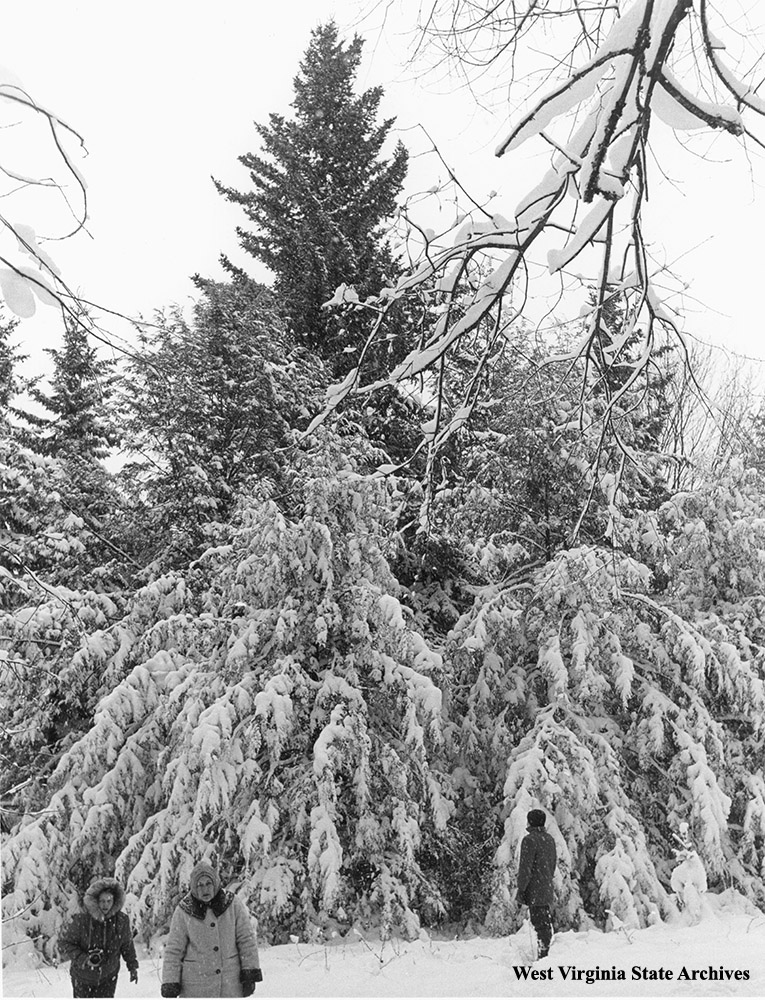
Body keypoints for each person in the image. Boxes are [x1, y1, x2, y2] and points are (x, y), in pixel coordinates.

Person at [161, 861, 262, 998]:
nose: (205, 889)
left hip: (230, 985)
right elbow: (174, 950)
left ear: (215, 883)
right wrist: (170, 981)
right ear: (193, 887)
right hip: (195, 987)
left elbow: (246, 940)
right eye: (200, 885)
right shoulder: (183, 911)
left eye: (208, 883)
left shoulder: (232, 904)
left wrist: (249, 972)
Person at [58, 876, 139, 998]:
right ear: (96, 900)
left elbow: (127, 945)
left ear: (115, 901)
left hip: (108, 977)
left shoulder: (121, 921)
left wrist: (132, 966)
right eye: (102, 901)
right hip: (82, 977)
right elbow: (66, 944)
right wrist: (84, 959)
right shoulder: (82, 920)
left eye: (109, 901)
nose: (105, 905)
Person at [516, 808, 557, 959]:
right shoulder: (549, 839)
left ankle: (544, 955)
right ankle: (545, 952)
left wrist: (521, 889)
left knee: (540, 923)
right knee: (544, 921)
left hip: (534, 888)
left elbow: (525, 868)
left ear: (530, 821)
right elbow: (552, 864)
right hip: (546, 885)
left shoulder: (529, 840)